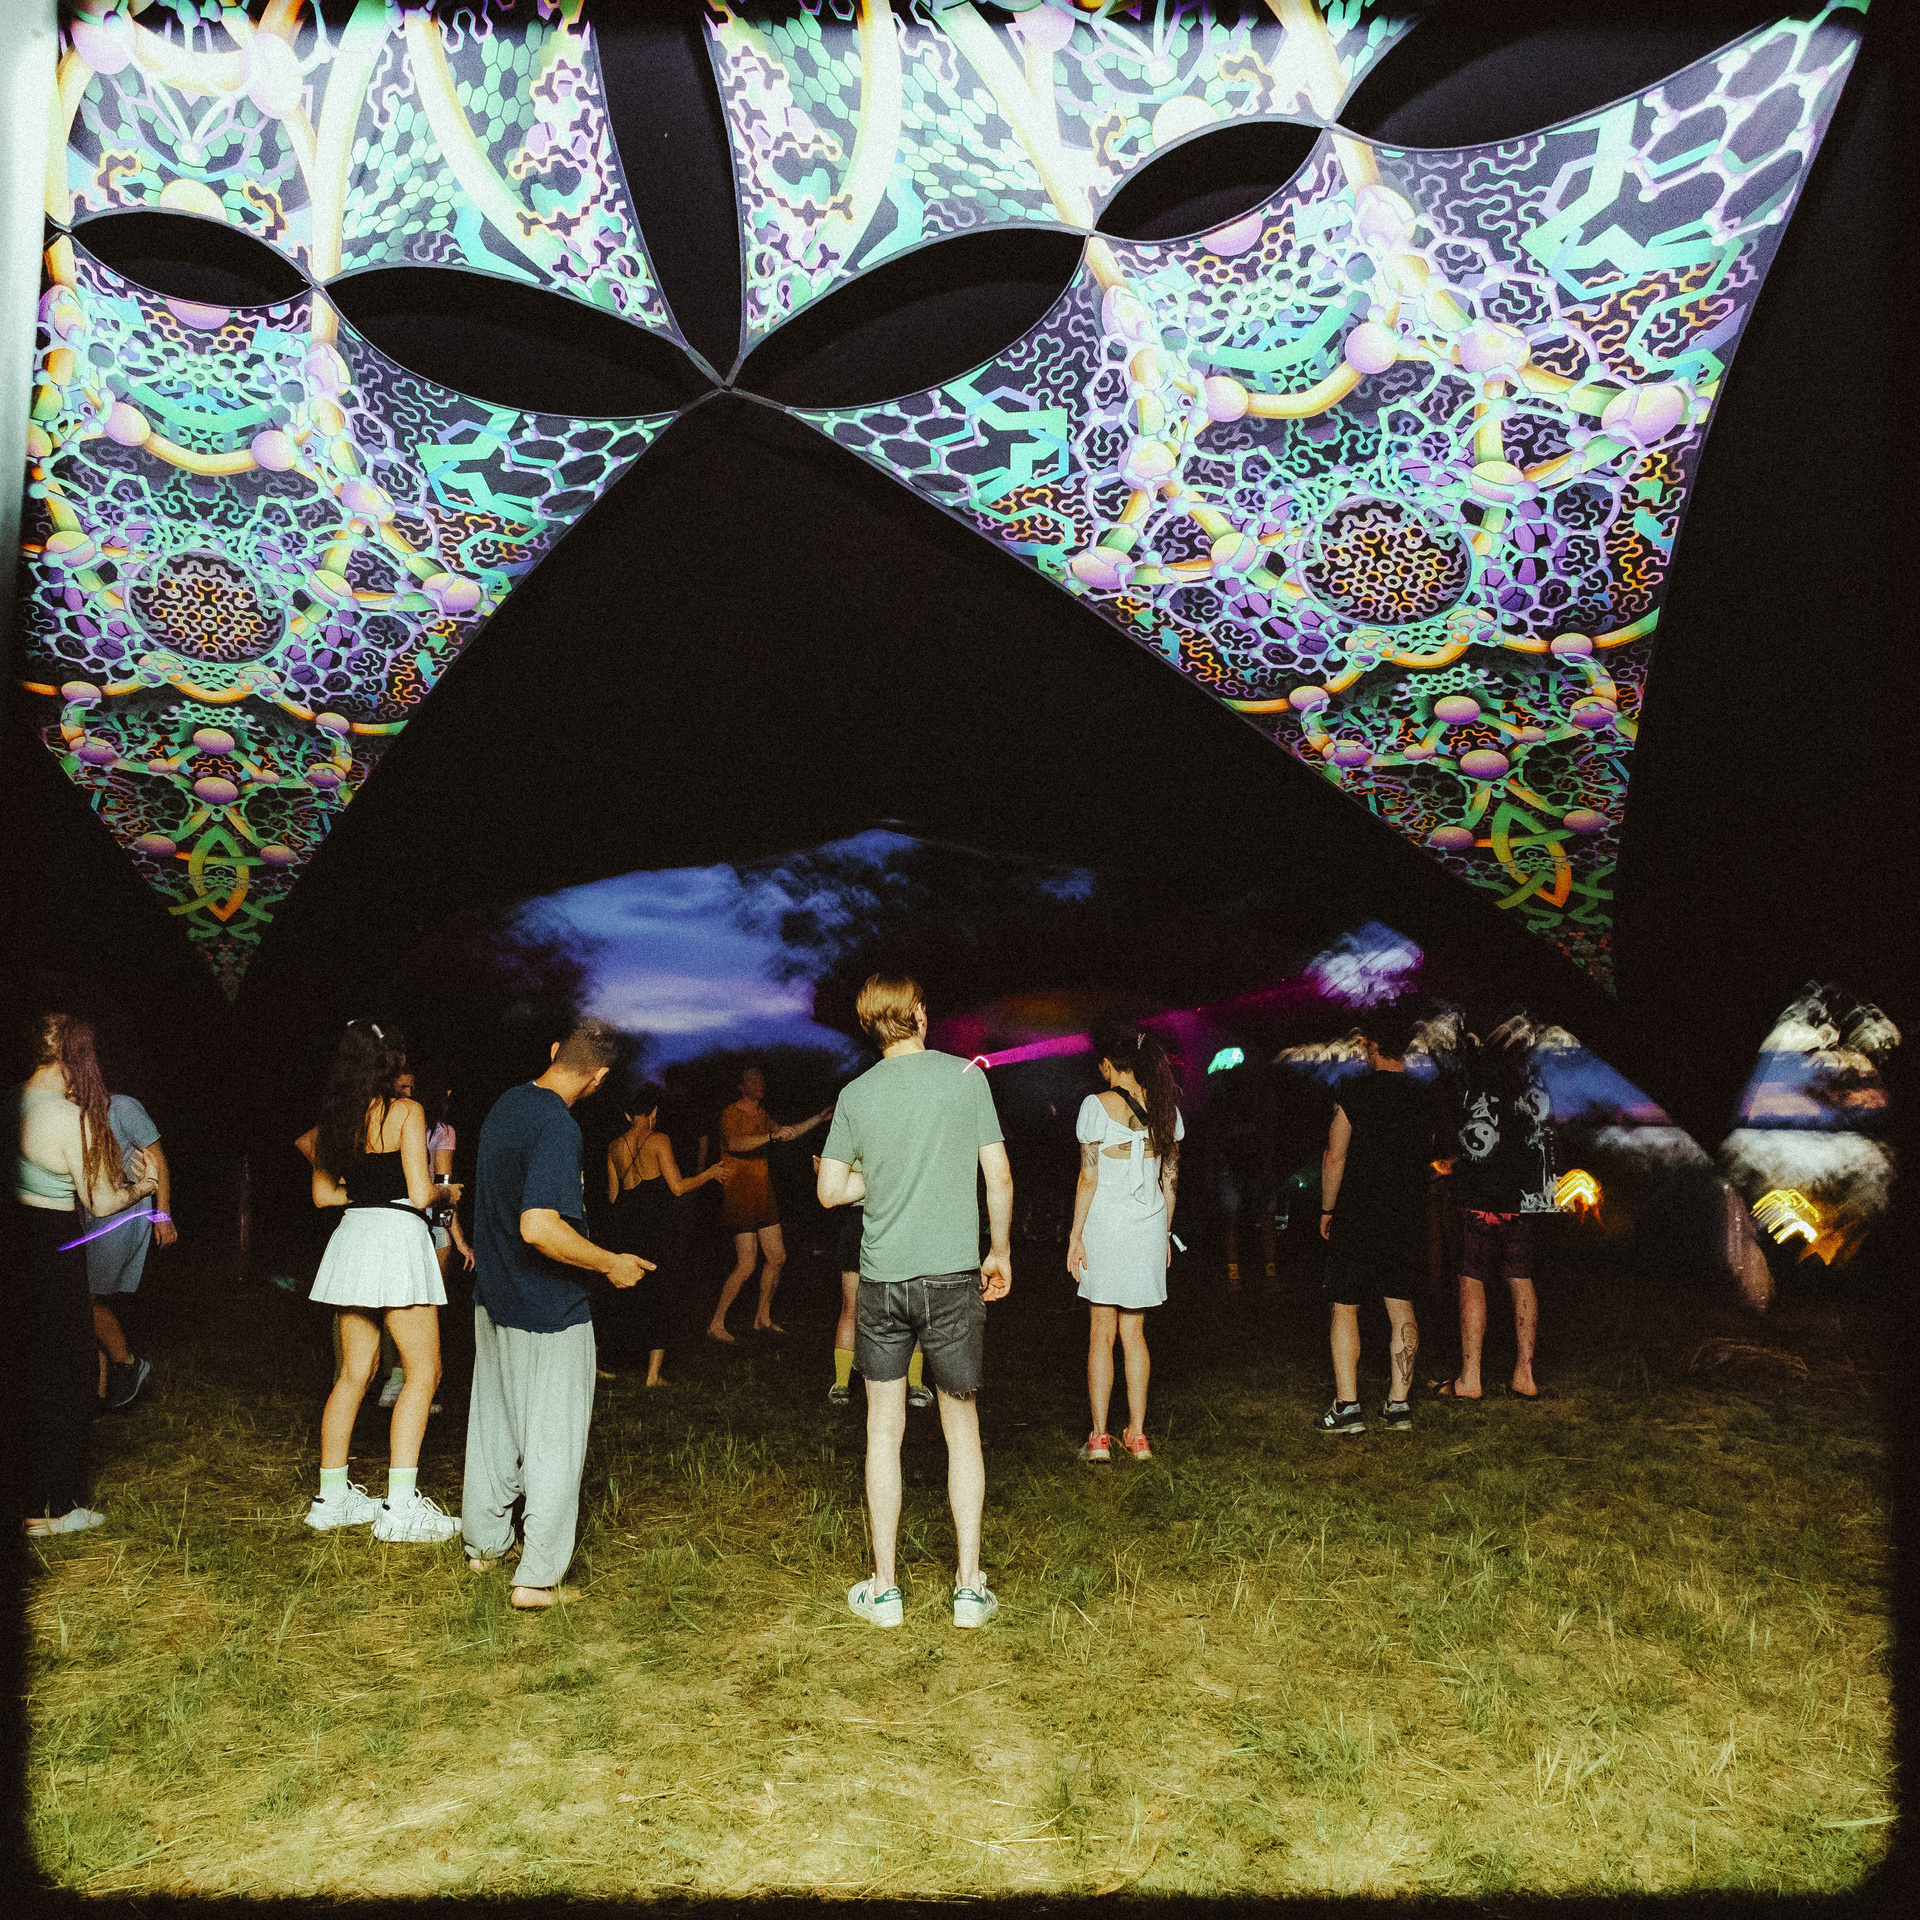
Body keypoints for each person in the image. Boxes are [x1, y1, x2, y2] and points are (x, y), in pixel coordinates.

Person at [817, 974, 1012, 1631]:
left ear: (871, 1026)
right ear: (920, 1015)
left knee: (883, 1430)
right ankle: (968, 1591)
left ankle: (885, 1591)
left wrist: (881, 1174)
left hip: (883, 1282)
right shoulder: (966, 1078)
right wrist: (1000, 1251)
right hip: (954, 1279)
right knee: (962, 1428)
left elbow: (829, 1190)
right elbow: (999, 1175)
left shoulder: (855, 1094)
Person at [461, 1018, 649, 1610]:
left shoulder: (506, 1105)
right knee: (554, 1440)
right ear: (599, 1078)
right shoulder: (558, 1126)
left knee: (494, 1426)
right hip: (549, 1307)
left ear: (552, 1053)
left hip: (495, 1299)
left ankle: (485, 1544)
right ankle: (537, 1579)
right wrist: (610, 1263)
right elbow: (538, 1226)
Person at [305, 1020, 459, 1541]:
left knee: (354, 1374)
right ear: (387, 1060)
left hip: (353, 1238)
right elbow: (419, 1194)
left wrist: (367, 1193)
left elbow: (323, 1196)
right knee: (423, 1373)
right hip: (396, 1240)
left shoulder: (335, 1119)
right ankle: (400, 1509)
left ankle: (331, 1499)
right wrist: (449, 1193)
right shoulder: (407, 1112)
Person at [11, 1013, 159, 1535]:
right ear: (72, 1056)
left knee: (24, 1368)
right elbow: (101, 1202)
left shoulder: (14, 1102)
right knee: (67, 1374)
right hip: (51, 1249)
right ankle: (49, 1508)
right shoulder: (66, 1116)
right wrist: (145, 1187)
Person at [1316, 1001, 1439, 1435]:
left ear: (1371, 1045)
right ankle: (1398, 1405)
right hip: (1404, 1214)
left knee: (1345, 1306)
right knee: (1401, 1304)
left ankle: (1347, 1407)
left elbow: (1335, 1156)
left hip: (1356, 1212)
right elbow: (1429, 1156)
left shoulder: (1354, 1092)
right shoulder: (1424, 1097)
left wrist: (1327, 1209)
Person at [1067, 1022, 1183, 1463]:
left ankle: (1099, 1438)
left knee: (1101, 1333)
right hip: (1147, 1227)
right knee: (1134, 1333)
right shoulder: (1166, 1108)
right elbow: (1170, 1183)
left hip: (1105, 1227)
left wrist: (1075, 1236)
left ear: (1106, 1065)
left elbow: (1088, 1177)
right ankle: (1137, 1435)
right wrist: (1164, 1233)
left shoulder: (1095, 1106)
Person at [1442, 1013, 1552, 1400]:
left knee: (1472, 1279)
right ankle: (1525, 1375)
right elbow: (1543, 1136)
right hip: (1522, 1198)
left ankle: (1470, 1379)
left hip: (1479, 1196)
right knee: (1521, 1278)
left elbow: (1460, 1137)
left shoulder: (1472, 1080)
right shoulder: (1532, 1081)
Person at [604, 1084, 729, 1387]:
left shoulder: (613, 1146)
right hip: (657, 1228)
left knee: (628, 1293)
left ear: (627, 1115)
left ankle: (612, 1359)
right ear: (654, 1113)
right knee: (662, 1294)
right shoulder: (659, 1139)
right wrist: (710, 1173)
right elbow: (678, 1187)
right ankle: (653, 1375)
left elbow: (613, 1197)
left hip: (626, 1228)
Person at [705, 1064, 832, 1342]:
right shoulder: (731, 1113)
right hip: (740, 1193)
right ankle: (716, 1323)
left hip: (763, 1193)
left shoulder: (762, 1114)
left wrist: (818, 1119)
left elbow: (787, 1133)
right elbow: (735, 1143)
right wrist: (770, 1136)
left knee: (777, 1257)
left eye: (761, 1078)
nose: (760, 1082)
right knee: (747, 1264)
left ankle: (762, 1318)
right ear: (741, 1087)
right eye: (753, 1079)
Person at [76, 1075, 173, 1409]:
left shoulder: (123, 1107)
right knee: (80, 1302)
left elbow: (158, 1160)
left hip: (123, 1216)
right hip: (89, 1217)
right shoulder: (73, 1113)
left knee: (84, 1299)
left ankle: (127, 1363)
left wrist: (163, 1215)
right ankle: (101, 1391)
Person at [818, 1174, 929, 1412]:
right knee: (906, 1305)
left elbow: (831, 1178)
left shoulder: (852, 1147)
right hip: (891, 1217)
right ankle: (915, 1386)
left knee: (854, 1306)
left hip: (870, 1219)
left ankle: (841, 1386)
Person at [1210, 1052, 1277, 1293]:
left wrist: (1267, 1164)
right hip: (1234, 1165)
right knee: (1238, 1220)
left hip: (1254, 1165)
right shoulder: (1225, 1098)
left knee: (1259, 1219)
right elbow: (1216, 1134)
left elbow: (1269, 1131)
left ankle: (1258, 1275)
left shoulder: (1260, 1096)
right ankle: (1238, 1276)